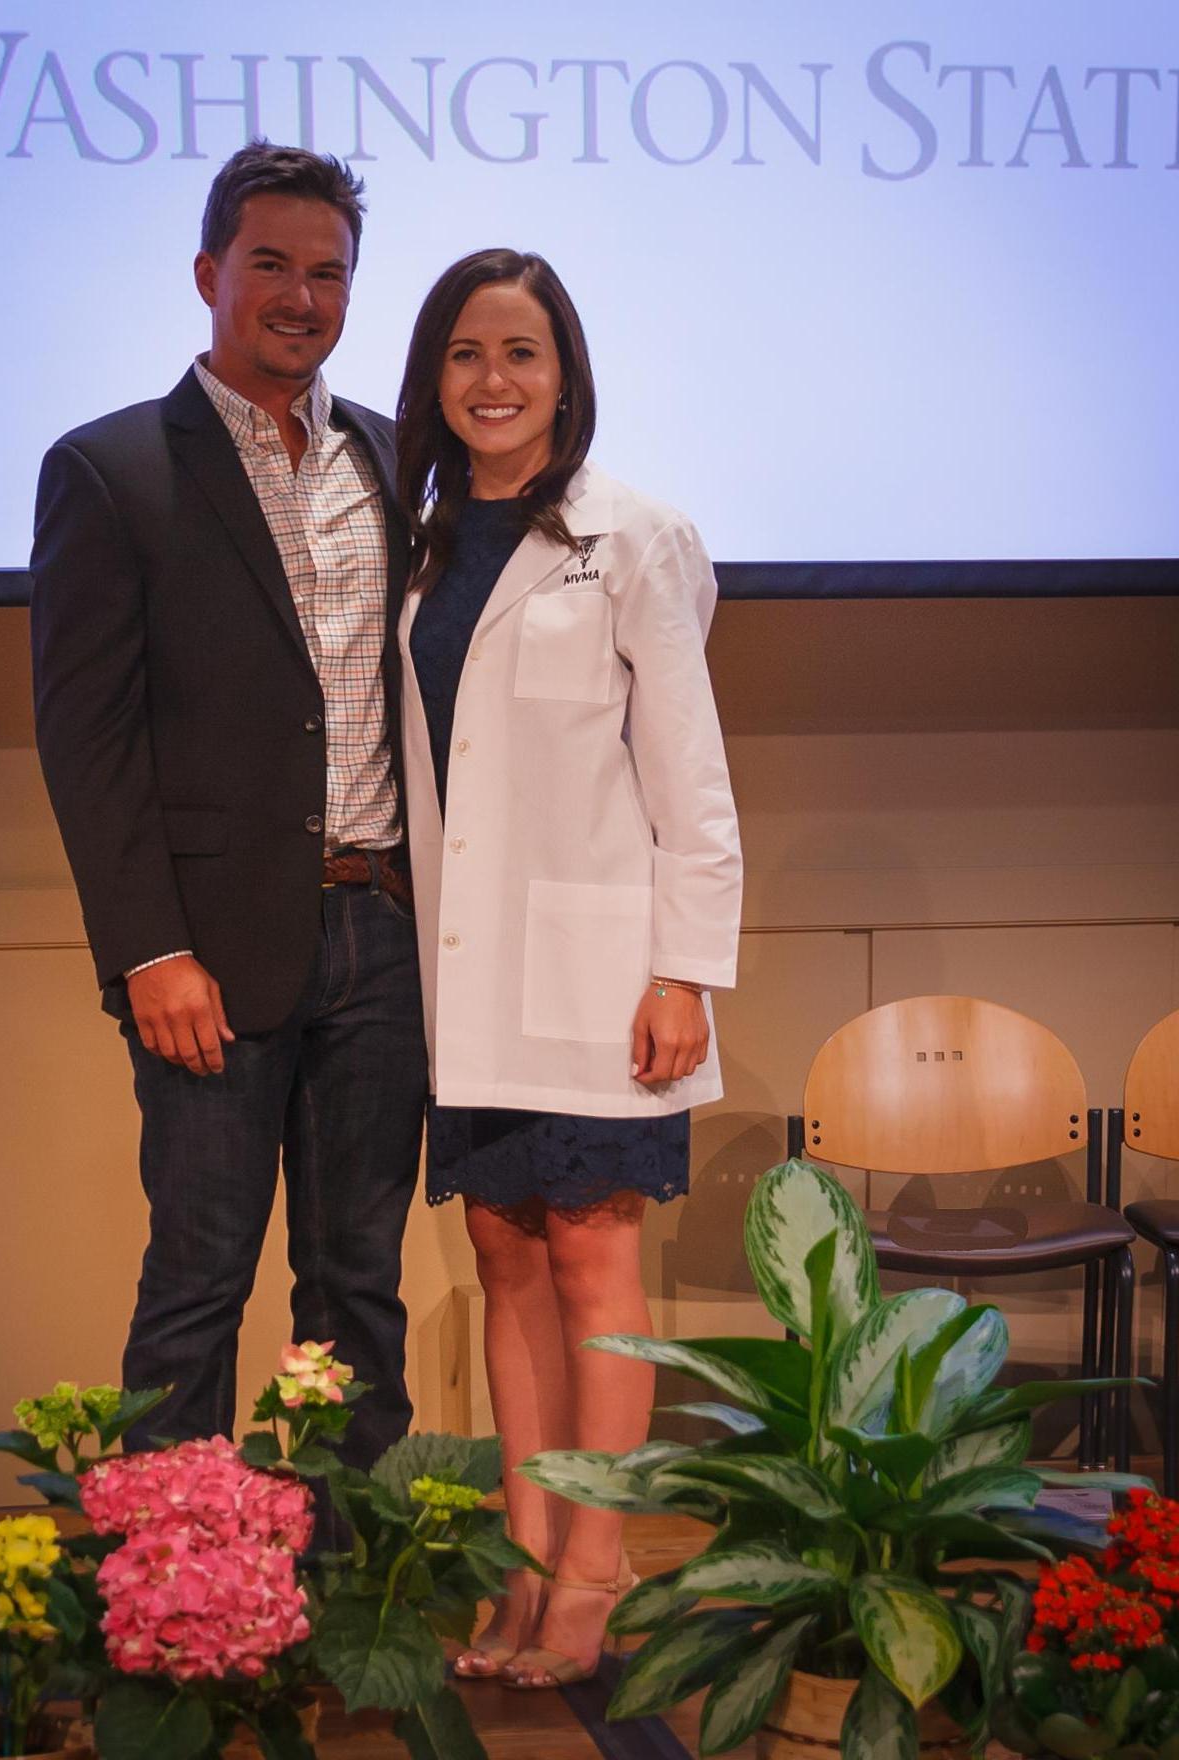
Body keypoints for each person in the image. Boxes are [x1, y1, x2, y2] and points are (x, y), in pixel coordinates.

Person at [28, 142, 426, 1470]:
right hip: (205, 952)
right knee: (199, 1286)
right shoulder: (111, 468)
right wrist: (148, 948)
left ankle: (345, 1584)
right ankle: (176, 1614)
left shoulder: (391, 457)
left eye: (330, 272)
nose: (302, 296)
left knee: (357, 1291)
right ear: (210, 273)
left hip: (383, 936)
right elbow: (86, 740)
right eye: (272, 264)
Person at [393, 250, 743, 1688]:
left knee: (596, 1257)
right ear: (433, 375)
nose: (494, 380)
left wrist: (684, 968)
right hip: (463, 974)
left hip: (604, 970)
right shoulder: (413, 547)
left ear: (566, 373)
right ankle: (526, 1555)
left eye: (523, 353)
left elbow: (690, 773)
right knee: (501, 1256)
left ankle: (596, 1564)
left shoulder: (636, 537)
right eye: (468, 353)